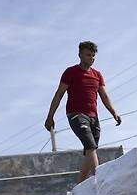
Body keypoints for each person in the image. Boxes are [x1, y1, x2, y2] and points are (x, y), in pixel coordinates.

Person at [45, 40, 121, 182]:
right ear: (80, 55)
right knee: (91, 148)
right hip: (76, 115)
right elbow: (59, 94)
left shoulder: (97, 75)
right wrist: (50, 116)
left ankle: (79, 188)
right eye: (88, 55)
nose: (91, 58)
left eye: (93, 56)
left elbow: (104, 95)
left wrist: (114, 112)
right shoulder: (70, 72)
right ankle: (99, 181)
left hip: (94, 117)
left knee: (89, 152)